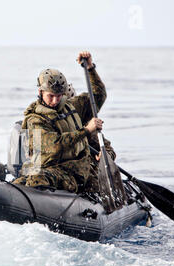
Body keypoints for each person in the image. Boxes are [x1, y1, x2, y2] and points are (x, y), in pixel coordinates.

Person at [13, 51, 107, 193]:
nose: (55, 101)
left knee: (36, 177)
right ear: (40, 92)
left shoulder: (71, 106)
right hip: (55, 170)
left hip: (80, 169)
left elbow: (99, 95)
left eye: (59, 96)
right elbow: (55, 145)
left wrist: (90, 68)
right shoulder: (35, 119)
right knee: (27, 180)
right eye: (51, 96)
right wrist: (87, 130)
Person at [64, 82, 117, 193]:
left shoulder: (87, 125)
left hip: (83, 173)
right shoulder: (44, 122)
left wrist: (105, 155)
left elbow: (108, 149)